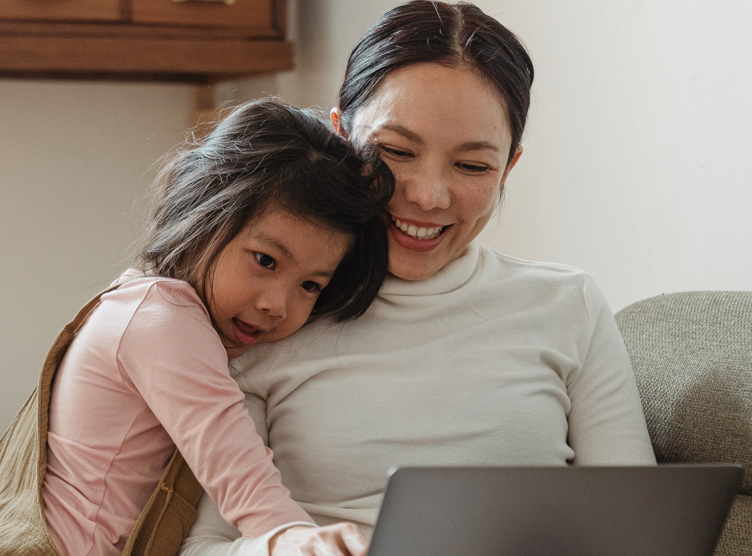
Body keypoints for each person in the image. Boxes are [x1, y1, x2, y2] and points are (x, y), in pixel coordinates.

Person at [179, 3, 657, 556]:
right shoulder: (273, 313)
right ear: (340, 138)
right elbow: (203, 547)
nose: (428, 196)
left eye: (473, 166)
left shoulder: (567, 304)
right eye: (396, 152)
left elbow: (639, 530)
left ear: (508, 168)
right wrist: (284, 550)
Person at [0, 100, 393, 556]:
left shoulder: (142, 306)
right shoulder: (164, 322)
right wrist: (304, 541)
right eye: (265, 260)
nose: (276, 304)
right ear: (205, 216)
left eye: (310, 286)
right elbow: (240, 477)